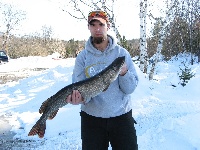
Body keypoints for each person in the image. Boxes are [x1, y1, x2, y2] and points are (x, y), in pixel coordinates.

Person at [66, 10, 139, 150]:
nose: (97, 29)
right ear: (88, 27)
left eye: (101, 24)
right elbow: (79, 90)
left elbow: (130, 89)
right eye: (93, 25)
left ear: (108, 26)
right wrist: (78, 99)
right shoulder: (82, 57)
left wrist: (124, 72)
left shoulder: (121, 54)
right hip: (91, 120)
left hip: (121, 117)